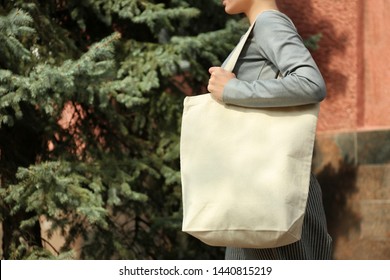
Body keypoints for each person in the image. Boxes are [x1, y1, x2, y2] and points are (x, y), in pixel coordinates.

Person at [207, 0, 333, 260]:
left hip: (270, 188)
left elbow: (311, 83)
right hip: (257, 186)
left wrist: (232, 90)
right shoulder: (258, 28)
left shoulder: (269, 23)